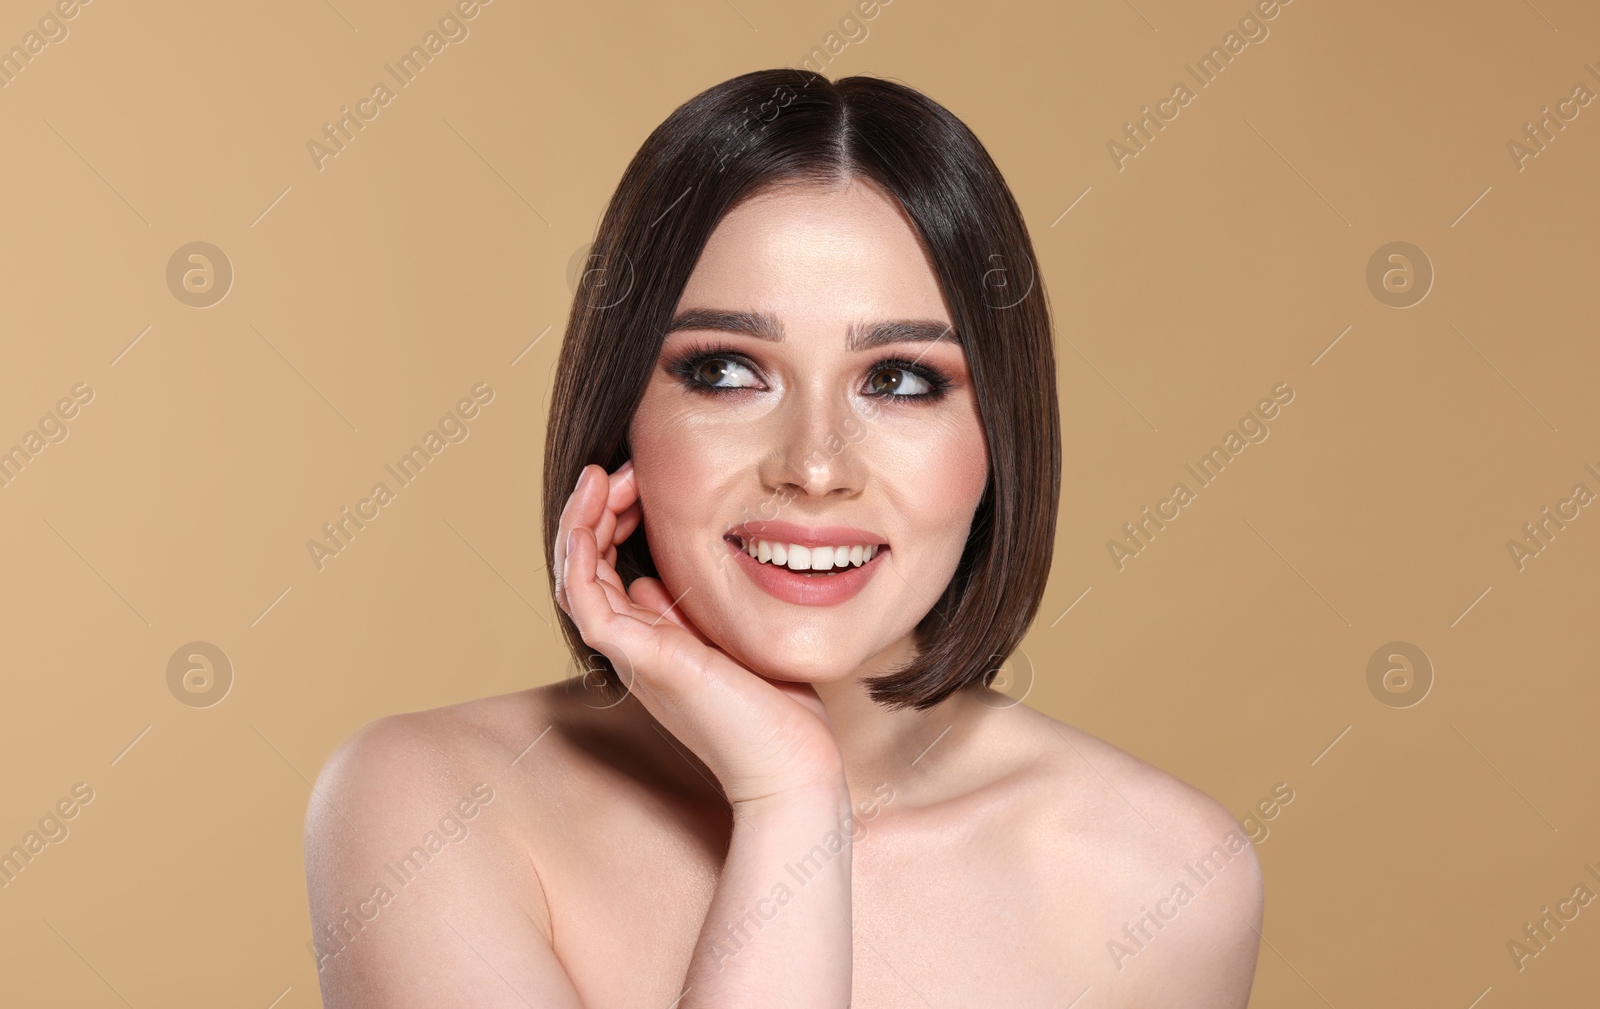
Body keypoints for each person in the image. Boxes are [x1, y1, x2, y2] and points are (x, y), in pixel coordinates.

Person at [304, 68, 1263, 1006]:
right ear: (624, 414)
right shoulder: (428, 806)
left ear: (999, 437)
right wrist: (791, 796)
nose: (813, 464)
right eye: (725, 371)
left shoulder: (1162, 877)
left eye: (898, 379)